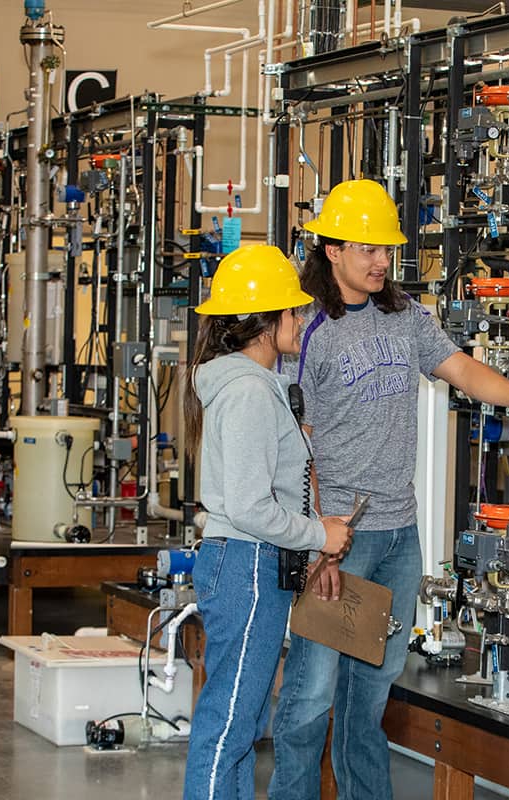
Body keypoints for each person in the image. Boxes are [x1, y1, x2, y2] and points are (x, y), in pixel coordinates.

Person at [268, 180, 509, 800]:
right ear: (331, 250)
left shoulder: (406, 318)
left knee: (368, 701)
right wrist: (318, 542)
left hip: (398, 539)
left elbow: (460, 368)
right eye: (367, 248)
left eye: (387, 249)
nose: (381, 261)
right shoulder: (305, 328)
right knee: (309, 700)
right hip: (338, 540)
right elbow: (293, 441)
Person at [181, 244, 353, 800]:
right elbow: (251, 507)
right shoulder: (250, 391)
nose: (301, 321)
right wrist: (319, 535)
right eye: (294, 312)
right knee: (228, 724)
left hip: (250, 566)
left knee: (242, 720)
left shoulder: (252, 385)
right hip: (247, 567)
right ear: (269, 320)